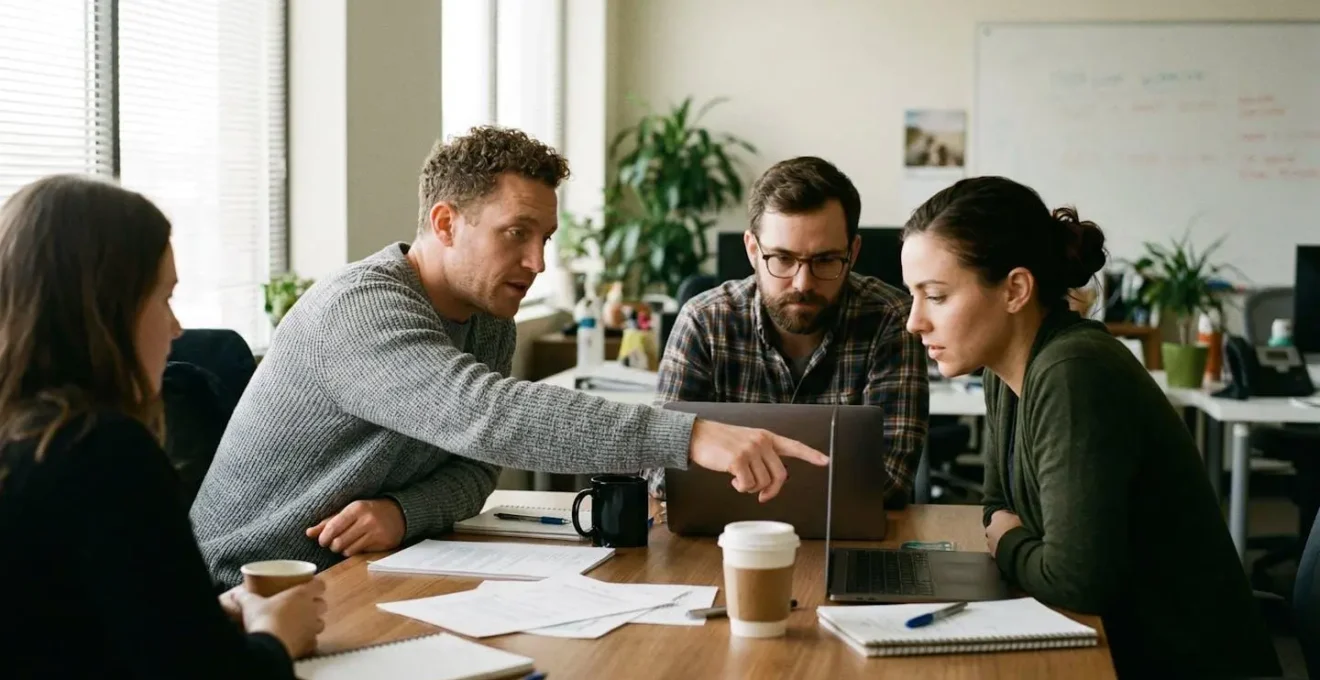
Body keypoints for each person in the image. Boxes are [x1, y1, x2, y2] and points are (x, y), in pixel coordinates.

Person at [191, 126, 827, 587]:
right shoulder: (361, 309)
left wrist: (404, 511)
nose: (537, 263)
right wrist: (691, 436)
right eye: (515, 233)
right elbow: (488, 415)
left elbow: (476, 468)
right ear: (445, 223)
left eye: (544, 237)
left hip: (355, 572)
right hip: (241, 588)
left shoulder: (487, 318)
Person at [900, 176, 1280, 678]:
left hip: (1179, 661)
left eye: (937, 296)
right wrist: (1016, 538)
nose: (914, 321)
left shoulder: (1073, 369)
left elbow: (1075, 579)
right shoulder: (1005, 370)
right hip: (1108, 639)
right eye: (913, 296)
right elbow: (996, 508)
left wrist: (1012, 542)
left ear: (1015, 289)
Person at [0, 175, 325, 677]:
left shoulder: (24, 437)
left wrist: (195, 615)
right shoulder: (101, 451)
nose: (176, 328)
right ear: (107, 309)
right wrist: (277, 636)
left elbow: (59, 625)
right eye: (164, 297)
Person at [645, 157, 928, 503]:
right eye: (782, 258)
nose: (802, 283)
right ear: (752, 250)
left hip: (848, 543)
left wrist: (747, 475)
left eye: (825, 260)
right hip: (722, 542)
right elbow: (659, 470)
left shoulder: (892, 319)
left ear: (852, 253)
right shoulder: (704, 321)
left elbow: (891, 481)